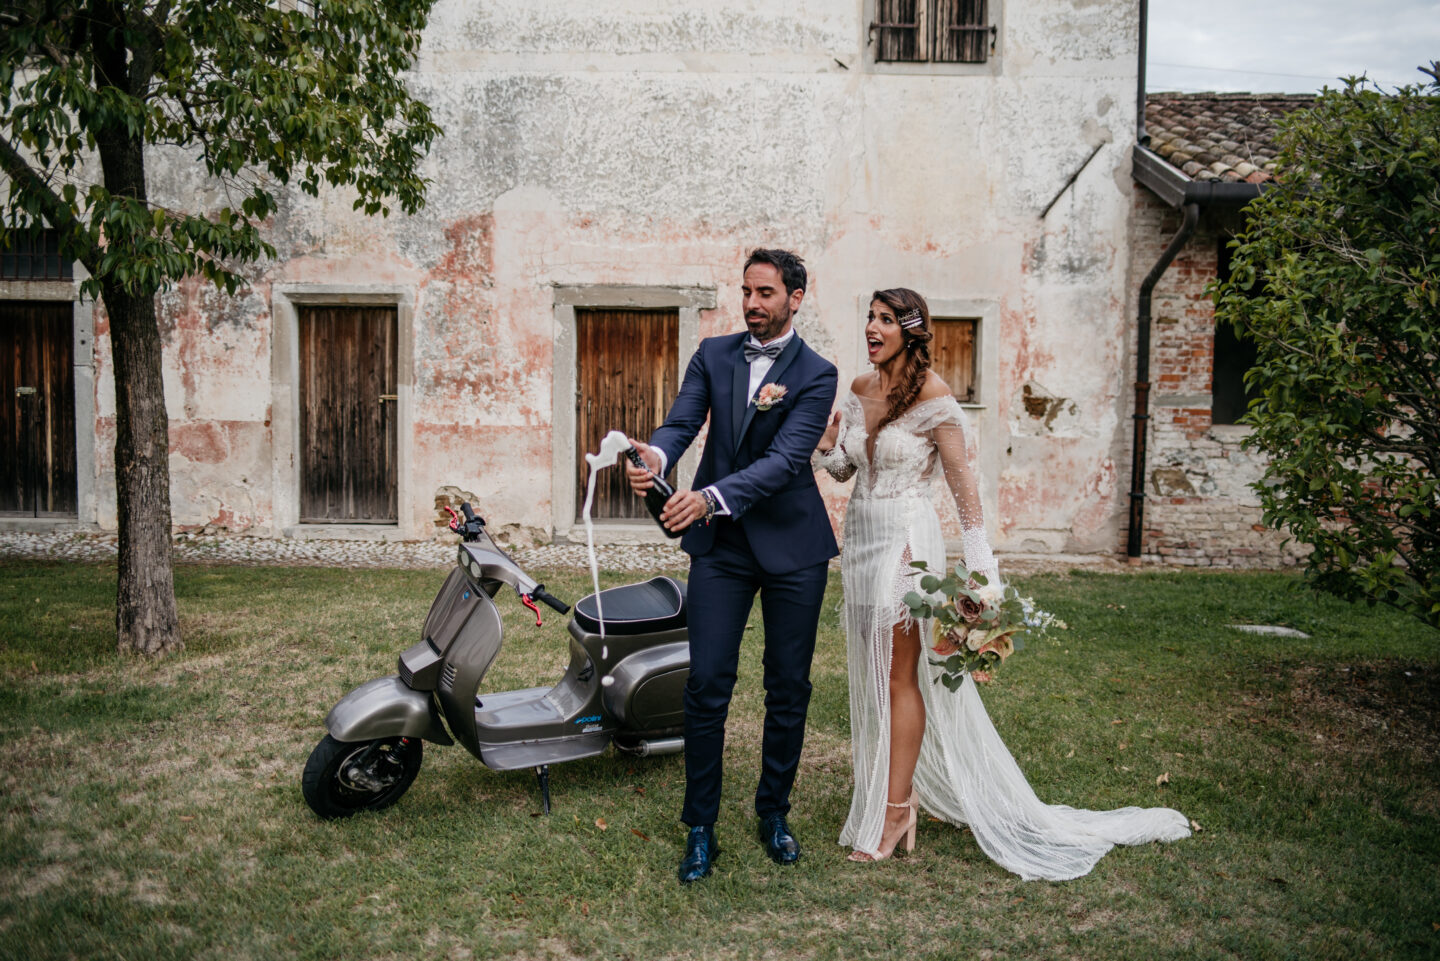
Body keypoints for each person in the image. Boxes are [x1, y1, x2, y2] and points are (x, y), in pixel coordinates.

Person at [813, 287, 1190, 878]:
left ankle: (892, 812)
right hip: (859, 539)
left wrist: (984, 569)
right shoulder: (859, 390)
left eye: (884, 320)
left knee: (896, 673)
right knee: (868, 665)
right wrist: (827, 443)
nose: (871, 327)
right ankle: (896, 798)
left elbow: (965, 488)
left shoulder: (935, 398)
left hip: (906, 541)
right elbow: (846, 471)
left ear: (910, 331)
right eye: (869, 317)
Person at [626, 248, 839, 884]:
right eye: (746, 291)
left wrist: (710, 497)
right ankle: (700, 828)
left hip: (794, 548)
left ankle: (773, 813)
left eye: (766, 293)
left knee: (788, 686)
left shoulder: (818, 372)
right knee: (706, 683)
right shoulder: (714, 355)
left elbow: (788, 458)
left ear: (795, 298)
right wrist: (658, 459)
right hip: (722, 550)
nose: (751, 303)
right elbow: (682, 422)